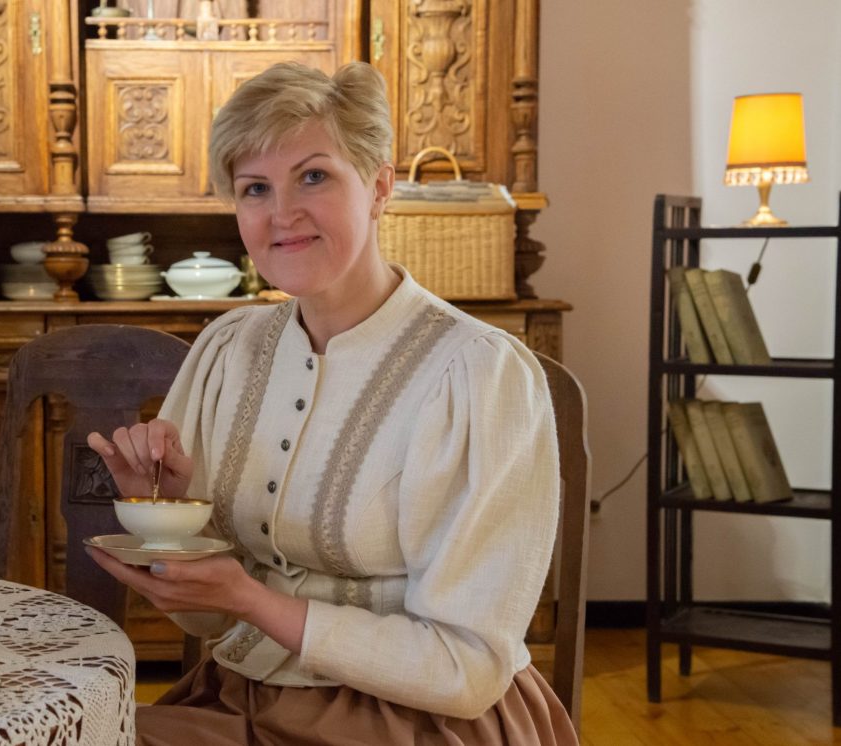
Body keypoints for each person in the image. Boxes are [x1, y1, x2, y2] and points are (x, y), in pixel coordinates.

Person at [85, 60, 577, 745]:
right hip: (238, 699)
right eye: (255, 188)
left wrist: (251, 599)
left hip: (423, 722)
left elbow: (466, 669)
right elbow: (207, 619)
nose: (282, 214)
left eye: (313, 176)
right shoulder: (228, 350)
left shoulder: (478, 373)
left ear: (379, 187)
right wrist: (163, 516)